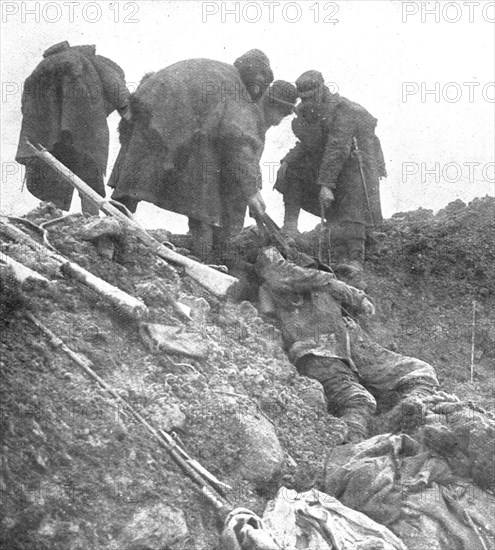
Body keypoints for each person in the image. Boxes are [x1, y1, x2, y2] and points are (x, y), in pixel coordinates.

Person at [109, 50, 297, 262]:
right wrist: (252, 192)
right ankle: (205, 255)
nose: (276, 123)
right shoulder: (239, 94)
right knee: (204, 195)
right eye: (278, 118)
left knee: (133, 177)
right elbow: (239, 148)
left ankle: (109, 233)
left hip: (148, 100)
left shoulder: (223, 74)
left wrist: (253, 189)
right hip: (167, 110)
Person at [255, 245, 439, 442]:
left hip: (355, 347)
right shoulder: (276, 281)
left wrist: (355, 296)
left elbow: (354, 298)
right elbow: (278, 271)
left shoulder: (322, 282)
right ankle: (352, 446)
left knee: (420, 371)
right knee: (359, 401)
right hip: (318, 353)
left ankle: (408, 411)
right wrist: (328, 281)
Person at [274, 70, 387, 272]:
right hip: (331, 167)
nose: (306, 103)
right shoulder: (305, 114)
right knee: (292, 170)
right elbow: (309, 144)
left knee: (353, 179)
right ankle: (290, 229)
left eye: (310, 98)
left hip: (357, 166)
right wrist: (287, 161)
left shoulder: (343, 110)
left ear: (320, 91)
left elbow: (338, 147)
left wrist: (326, 185)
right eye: (303, 98)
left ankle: (356, 256)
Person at [16, 41, 130, 215]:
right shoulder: (97, 63)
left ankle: (51, 222)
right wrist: (136, 123)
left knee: (52, 181)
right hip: (82, 131)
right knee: (90, 181)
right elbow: (123, 100)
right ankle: (93, 225)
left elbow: (25, 106)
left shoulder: (42, 67)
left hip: (46, 138)